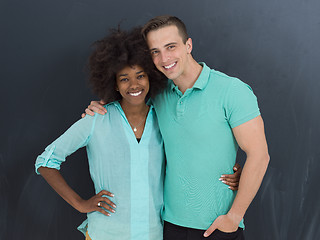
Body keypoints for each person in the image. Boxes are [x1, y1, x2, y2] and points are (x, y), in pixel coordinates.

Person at [86, 15, 270, 240]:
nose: (164, 58)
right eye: (155, 51)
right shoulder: (157, 95)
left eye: (170, 47)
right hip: (169, 226)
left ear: (188, 45)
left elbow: (259, 155)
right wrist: (101, 105)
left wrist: (234, 216)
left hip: (218, 227)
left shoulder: (232, 90)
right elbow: (129, 104)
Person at [35, 27, 168, 240]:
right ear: (113, 84)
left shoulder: (164, 119)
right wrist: (80, 204)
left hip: (154, 234)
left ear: (151, 76)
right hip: (105, 234)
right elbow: (45, 162)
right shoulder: (97, 119)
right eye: (124, 78)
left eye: (140, 76)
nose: (134, 85)